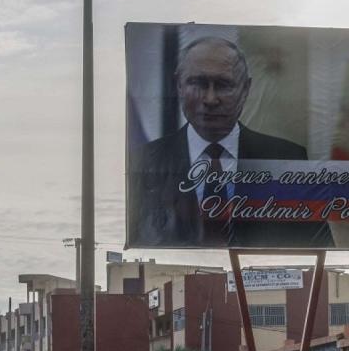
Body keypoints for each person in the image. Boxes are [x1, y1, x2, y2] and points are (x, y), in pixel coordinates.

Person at [130, 36, 333, 248]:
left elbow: (321, 252)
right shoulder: (144, 161)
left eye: (223, 85)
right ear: (179, 85)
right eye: (198, 83)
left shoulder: (288, 161)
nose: (210, 99)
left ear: (246, 89)